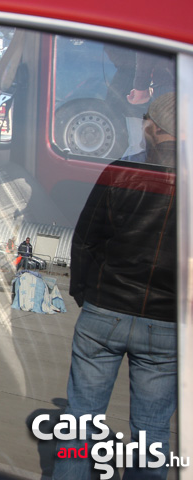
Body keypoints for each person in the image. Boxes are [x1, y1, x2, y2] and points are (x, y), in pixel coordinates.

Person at [52, 92, 177, 479]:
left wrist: (85, 294)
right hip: (168, 322)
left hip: (105, 309)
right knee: (152, 434)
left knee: (80, 423)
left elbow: (86, 238)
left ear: (152, 127)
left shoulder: (122, 170)